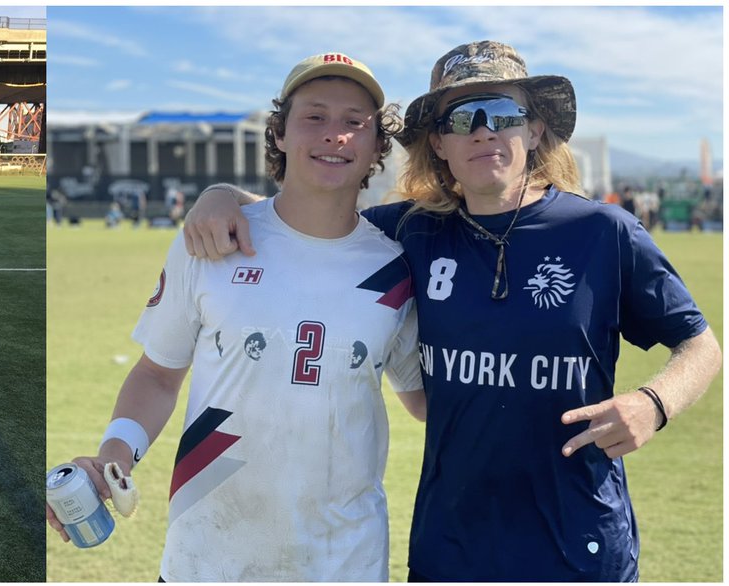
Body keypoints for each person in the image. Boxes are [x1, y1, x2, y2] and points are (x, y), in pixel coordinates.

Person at [182, 40, 721, 581]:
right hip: (452, 548)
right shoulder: (411, 232)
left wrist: (654, 403)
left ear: (534, 131)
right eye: (463, 117)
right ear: (439, 142)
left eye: (505, 113)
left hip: (580, 544)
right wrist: (222, 194)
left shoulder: (605, 233)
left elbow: (700, 344)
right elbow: (307, 211)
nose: (485, 130)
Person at [47, 52, 425, 581]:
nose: (334, 135)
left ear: (376, 146)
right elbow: (157, 374)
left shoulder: (396, 269)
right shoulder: (214, 241)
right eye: (314, 116)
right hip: (206, 559)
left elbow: (428, 403)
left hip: (343, 562)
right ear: (280, 134)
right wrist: (115, 457)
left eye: (354, 122)